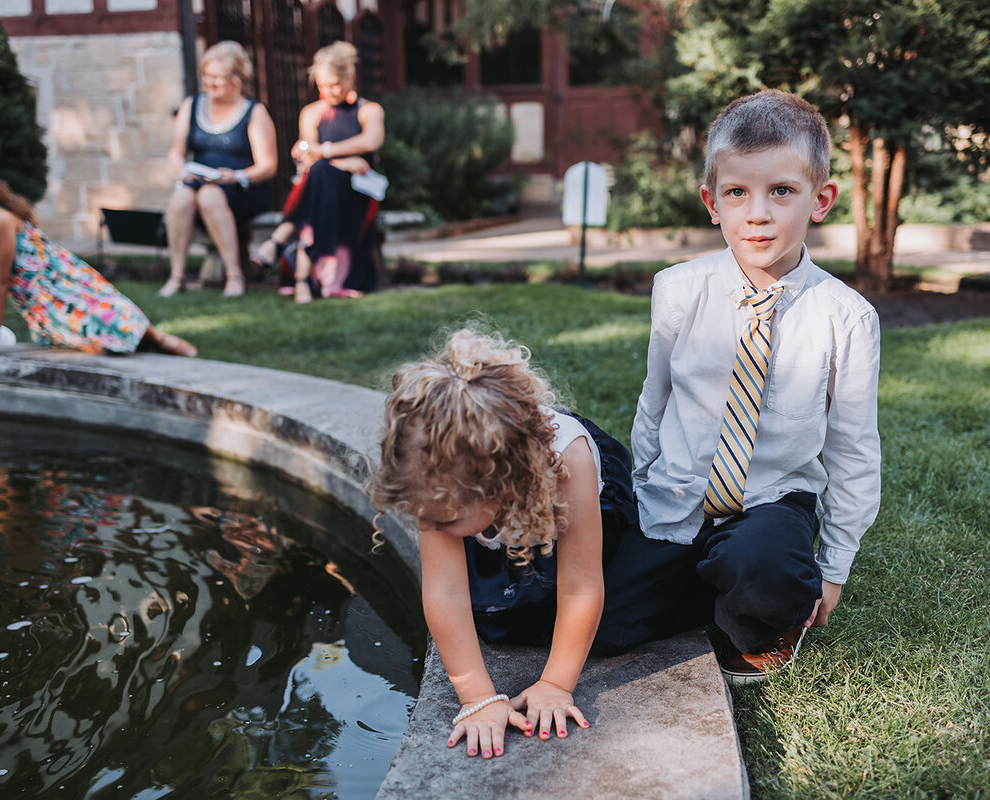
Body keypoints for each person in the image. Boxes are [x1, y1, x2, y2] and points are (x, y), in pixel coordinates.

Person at [630, 90, 881, 685]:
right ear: (711, 202)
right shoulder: (677, 289)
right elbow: (655, 399)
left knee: (767, 570)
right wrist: (642, 495)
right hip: (678, 495)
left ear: (820, 200)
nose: (758, 214)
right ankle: (701, 585)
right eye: (737, 192)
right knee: (605, 618)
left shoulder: (846, 317)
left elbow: (853, 447)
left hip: (771, 500)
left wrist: (834, 567)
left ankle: (761, 610)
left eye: (782, 192)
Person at [369, 328, 707, 759]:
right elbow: (444, 589)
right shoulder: (434, 476)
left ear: (501, 487)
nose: (429, 525)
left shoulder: (567, 458)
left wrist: (555, 684)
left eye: (444, 519)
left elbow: (581, 584)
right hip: (496, 513)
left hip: (582, 514)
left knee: (610, 626)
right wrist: (477, 697)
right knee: (492, 620)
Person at [0, 159, 197, 360]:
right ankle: (143, 343)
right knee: (96, 346)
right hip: (37, 301)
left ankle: (159, 338)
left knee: (111, 318)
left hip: (62, 282)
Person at [161, 40, 278, 298]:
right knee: (182, 196)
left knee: (209, 194)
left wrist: (236, 176)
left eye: (218, 77)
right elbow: (176, 152)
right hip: (199, 182)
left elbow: (268, 165)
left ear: (236, 79)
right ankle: (176, 276)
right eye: (207, 75)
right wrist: (182, 171)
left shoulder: (254, 112)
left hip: (243, 189)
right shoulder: (192, 106)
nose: (210, 82)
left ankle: (235, 276)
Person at [272, 42, 384, 303]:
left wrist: (324, 152)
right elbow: (308, 156)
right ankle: (316, 280)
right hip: (320, 189)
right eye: (322, 85)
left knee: (322, 176)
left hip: (356, 192)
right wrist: (339, 161)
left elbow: (370, 142)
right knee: (322, 176)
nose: (328, 91)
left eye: (334, 84)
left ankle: (294, 266)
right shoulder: (311, 113)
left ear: (350, 78)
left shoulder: (369, 110)